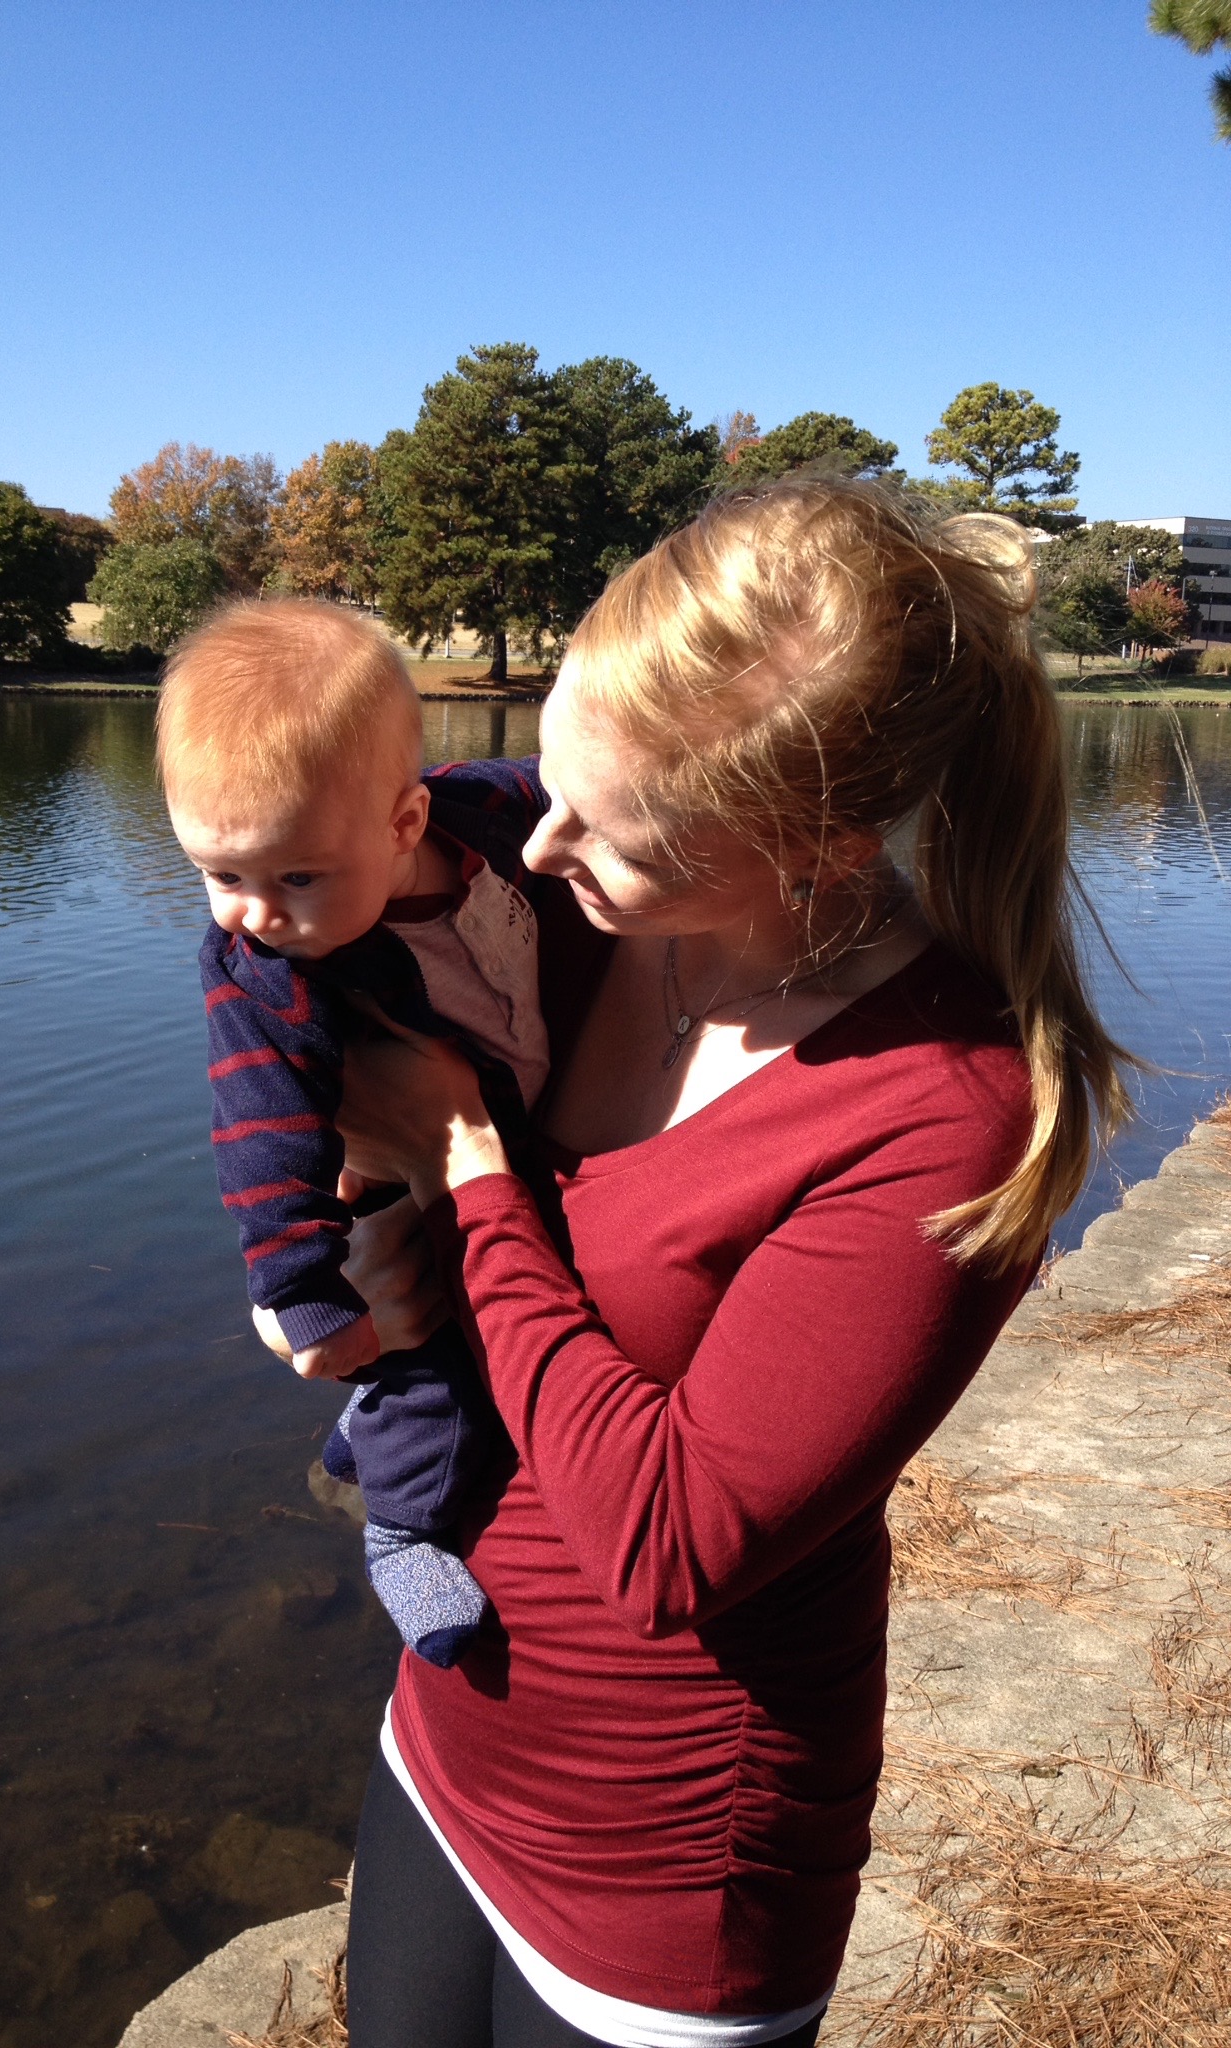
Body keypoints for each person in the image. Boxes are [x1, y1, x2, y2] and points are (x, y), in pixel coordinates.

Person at [316, 480, 1133, 2048]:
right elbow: (307, 963)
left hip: (666, 1852)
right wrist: (342, 1243)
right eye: (550, 774)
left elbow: (670, 1538)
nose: (538, 844)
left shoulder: (942, 1108)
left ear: (818, 849)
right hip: (449, 1733)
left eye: (606, 832)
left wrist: (470, 1174)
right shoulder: (561, 908)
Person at [158, 599, 555, 1668]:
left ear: (405, 824)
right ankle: (403, 1526)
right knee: (435, 1364)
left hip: (502, 1136)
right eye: (220, 873)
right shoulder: (268, 970)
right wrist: (301, 1287)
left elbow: (550, 777)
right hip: (380, 1189)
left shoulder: (481, 814)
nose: (251, 911)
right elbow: (260, 1128)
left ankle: (360, 1437)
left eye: (294, 876)